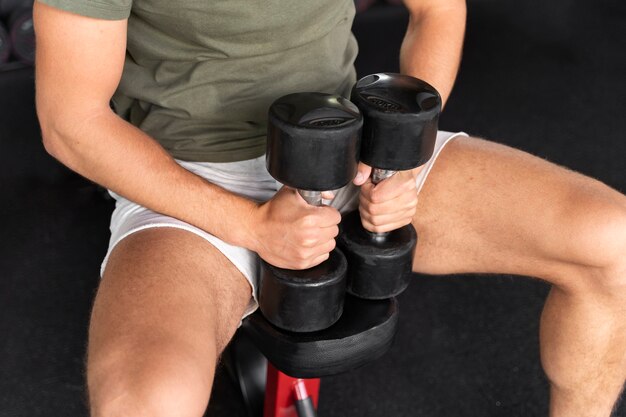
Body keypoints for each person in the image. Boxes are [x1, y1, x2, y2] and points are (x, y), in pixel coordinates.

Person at [33, 0, 625, 415]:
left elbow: (439, 9)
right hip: (193, 179)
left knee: (613, 243)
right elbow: (71, 122)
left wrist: (402, 157)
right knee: (144, 403)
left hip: (352, 143)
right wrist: (251, 227)